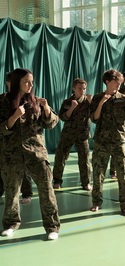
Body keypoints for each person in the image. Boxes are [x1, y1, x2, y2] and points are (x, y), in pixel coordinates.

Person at [0, 68, 60, 240]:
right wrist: (14, 116)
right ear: (17, 81)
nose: (30, 85)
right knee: (12, 191)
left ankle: (52, 227)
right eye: (26, 81)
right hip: (12, 154)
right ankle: (11, 223)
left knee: (46, 189)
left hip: (36, 153)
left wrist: (47, 108)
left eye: (32, 81)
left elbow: (51, 123)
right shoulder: (3, 101)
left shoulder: (35, 101)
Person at [89, 69, 125, 216]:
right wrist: (102, 103)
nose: (119, 84)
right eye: (116, 81)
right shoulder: (98, 97)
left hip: (118, 142)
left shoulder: (123, 99)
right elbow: (94, 118)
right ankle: (96, 202)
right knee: (98, 174)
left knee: (123, 174)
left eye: (120, 82)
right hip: (101, 142)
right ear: (107, 82)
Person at [52, 78, 92, 190]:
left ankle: (86, 183)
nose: (82, 91)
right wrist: (72, 108)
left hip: (82, 135)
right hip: (68, 134)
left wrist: (91, 103)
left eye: (84, 89)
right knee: (60, 157)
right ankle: (57, 181)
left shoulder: (88, 102)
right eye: (79, 88)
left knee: (84, 160)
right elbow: (63, 117)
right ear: (73, 88)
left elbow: (94, 117)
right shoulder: (67, 102)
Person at [0, 72, 33, 204]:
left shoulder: (28, 100)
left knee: (24, 170)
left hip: (21, 143)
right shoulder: (3, 100)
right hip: (4, 143)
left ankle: (27, 193)